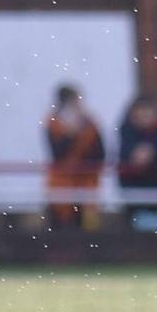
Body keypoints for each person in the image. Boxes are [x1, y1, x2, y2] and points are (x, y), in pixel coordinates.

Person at [43, 84, 105, 229]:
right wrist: (71, 135)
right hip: (61, 184)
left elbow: (99, 154)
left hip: (86, 183)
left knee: (86, 226)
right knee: (60, 224)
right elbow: (57, 154)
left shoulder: (90, 125)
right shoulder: (54, 124)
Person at [117, 94, 157, 232]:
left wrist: (153, 152)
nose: (144, 120)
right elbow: (124, 153)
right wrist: (135, 154)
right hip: (132, 186)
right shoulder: (127, 129)